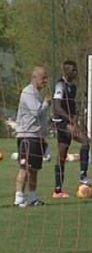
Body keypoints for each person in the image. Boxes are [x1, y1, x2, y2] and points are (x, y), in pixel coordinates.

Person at [51, 60, 92, 200]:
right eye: (72, 70)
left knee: (62, 156)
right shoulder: (60, 85)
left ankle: (57, 190)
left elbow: (73, 107)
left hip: (69, 121)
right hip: (61, 122)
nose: (75, 72)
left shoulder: (73, 87)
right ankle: (83, 175)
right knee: (85, 141)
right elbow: (57, 107)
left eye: (76, 70)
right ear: (66, 71)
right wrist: (70, 121)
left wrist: (75, 120)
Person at [14, 66, 50, 207]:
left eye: (46, 78)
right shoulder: (28, 92)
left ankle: (33, 197)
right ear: (34, 77)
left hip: (36, 137)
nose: (45, 81)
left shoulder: (37, 93)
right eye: (43, 78)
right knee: (25, 168)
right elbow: (36, 112)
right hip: (26, 136)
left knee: (34, 169)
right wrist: (46, 103)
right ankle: (19, 198)